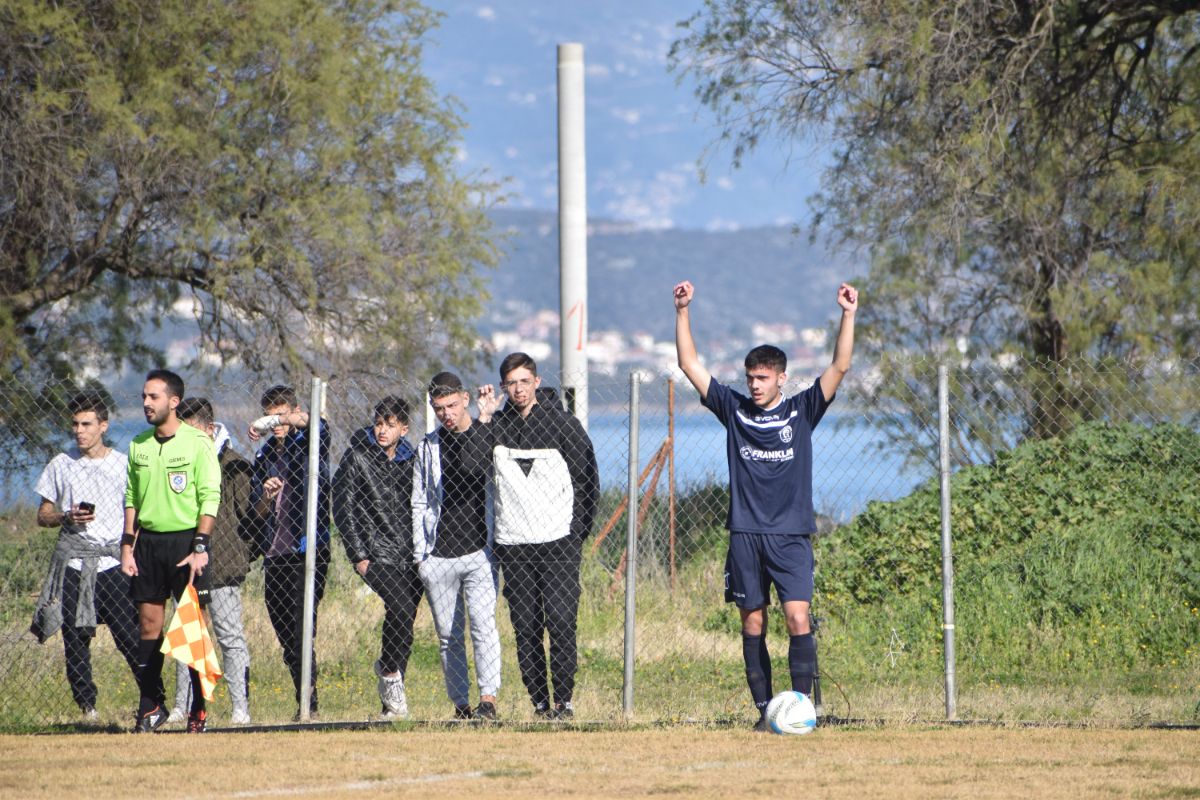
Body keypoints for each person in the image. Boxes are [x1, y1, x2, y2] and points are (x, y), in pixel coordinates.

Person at [672, 279, 858, 731]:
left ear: (781, 378)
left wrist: (848, 315)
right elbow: (689, 363)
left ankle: (801, 709)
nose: (754, 385)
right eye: (750, 377)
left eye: (762, 378)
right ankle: (764, 713)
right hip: (746, 535)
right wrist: (682, 311)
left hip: (791, 534)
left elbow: (840, 365)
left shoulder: (802, 410)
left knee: (797, 618)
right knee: (752, 622)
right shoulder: (734, 410)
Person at [484, 352, 599, 719]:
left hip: (558, 544)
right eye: (510, 383)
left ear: (536, 382)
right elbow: (471, 464)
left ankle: (563, 703)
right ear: (503, 387)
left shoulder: (563, 425)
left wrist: (574, 533)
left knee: (562, 621)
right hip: (514, 546)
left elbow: (587, 480)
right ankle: (539, 703)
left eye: (523, 381)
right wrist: (484, 419)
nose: (517, 389)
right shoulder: (497, 427)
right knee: (526, 625)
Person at [120, 369, 222, 733]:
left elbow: (210, 496)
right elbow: (131, 498)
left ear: (173, 402)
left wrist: (200, 546)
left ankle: (198, 710)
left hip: (186, 544)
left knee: (193, 627)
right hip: (148, 545)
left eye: (154, 397)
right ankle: (151, 706)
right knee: (149, 626)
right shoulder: (138, 444)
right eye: (144, 397)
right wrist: (127, 546)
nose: (146, 403)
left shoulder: (198, 443)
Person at [30, 391, 140, 721]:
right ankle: (87, 707)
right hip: (75, 562)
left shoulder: (123, 465)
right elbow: (43, 514)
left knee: (127, 634)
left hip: (112, 561)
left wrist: (131, 550)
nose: (80, 430)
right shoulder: (61, 465)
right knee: (75, 638)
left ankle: (151, 699)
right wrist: (65, 516)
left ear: (103, 426)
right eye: (75, 424)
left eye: (87, 424)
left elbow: (138, 512)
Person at [333, 395, 435, 719]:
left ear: (403, 429)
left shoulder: (412, 458)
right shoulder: (357, 457)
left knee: (404, 623)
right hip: (375, 555)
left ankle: (389, 707)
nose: (382, 430)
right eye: (379, 423)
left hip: (410, 554)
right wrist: (358, 554)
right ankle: (389, 672)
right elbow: (342, 506)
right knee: (401, 608)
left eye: (390, 425)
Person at [412, 372, 502, 720]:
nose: (447, 414)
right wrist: (423, 555)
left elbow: (477, 463)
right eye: (439, 408)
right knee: (449, 636)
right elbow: (419, 501)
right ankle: (461, 705)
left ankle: (488, 700)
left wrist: (484, 419)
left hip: (480, 552)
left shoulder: (484, 433)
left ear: (465, 399)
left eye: (451, 405)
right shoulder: (428, 447)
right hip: (439, 556)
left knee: (483, 627)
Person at [167, 398, 258, 726]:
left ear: (209, 429)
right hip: (186, 562)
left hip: (223, 565)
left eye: (193, 432)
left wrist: (243, 555)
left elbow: (249, 519)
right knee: (186, 636)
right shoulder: (178, 462)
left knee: (229, 636)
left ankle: (240, 707)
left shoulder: (234, 465)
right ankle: (183, 705)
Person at [249, 384, 331, 719]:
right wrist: (266, 497)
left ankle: (307, 701)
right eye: (271, 415)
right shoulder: (264, 456)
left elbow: (322, 430)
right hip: (275, 552)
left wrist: (298, 421)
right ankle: (305, 690)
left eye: (282, 413)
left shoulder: (308, 443)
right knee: (283, 628)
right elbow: (256, 511)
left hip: (307, 550)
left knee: (301, 626)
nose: (277, 421)